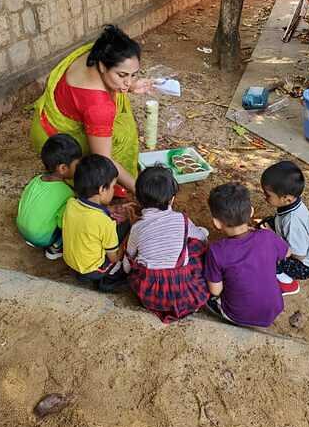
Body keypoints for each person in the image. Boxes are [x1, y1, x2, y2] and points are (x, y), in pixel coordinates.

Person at [30, 25, 152, 195]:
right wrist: (140, 191)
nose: (128, 82)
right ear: (103, 66)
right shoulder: (98, 107)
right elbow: (103, 161)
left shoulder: (94, 52)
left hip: (44, 120)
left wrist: (130, 85)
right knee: (120, 138)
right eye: (122, 75)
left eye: (133, 74)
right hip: (56, 143)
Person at [124, 165, 209, 323]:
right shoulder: (181, 219)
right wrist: (203, 233)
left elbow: (127, 265)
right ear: (172, 199)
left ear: (138, 199)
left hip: (150, 293)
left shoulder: (137, 228)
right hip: (182, 291)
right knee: (195, 246)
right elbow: (201, 239)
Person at [204, 183, 295, 328]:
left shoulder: (216, 251)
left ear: (216, 223)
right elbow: (288, 252)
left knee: (207, 294)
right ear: (251, 211)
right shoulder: (267, 237)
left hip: (237, 315)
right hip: (274, 309)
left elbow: (216, 290)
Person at [63, 154, 130, 292]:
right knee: (127, 231)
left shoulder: (71, 204)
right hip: (93, 270)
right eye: (112, 187)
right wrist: (130, 233)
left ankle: (84, 276)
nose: (113, 191)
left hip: (71, 263)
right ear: (101, 189)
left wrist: (109, 210)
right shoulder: (104, 222)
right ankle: (108, 280)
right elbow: (114, 258)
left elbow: (88, 220)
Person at [16, 134, 82, 260]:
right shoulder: (66, 193)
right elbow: (64, 223)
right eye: (77, 166)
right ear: (63, 168)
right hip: (40, 238)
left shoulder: (36, 179)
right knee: (74, 219)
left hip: (21, 227)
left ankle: (34, 235)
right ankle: (56, 247)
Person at [260, 161, 309, 285]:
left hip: (302, 266)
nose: (264, 197)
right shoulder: (293, 204)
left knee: (268, 253)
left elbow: (299, 254)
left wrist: (273, 236)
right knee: (266, 223)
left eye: (268, 195)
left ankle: (282, 277)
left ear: (286, 198)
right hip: (297, 248)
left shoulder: (293, 222)